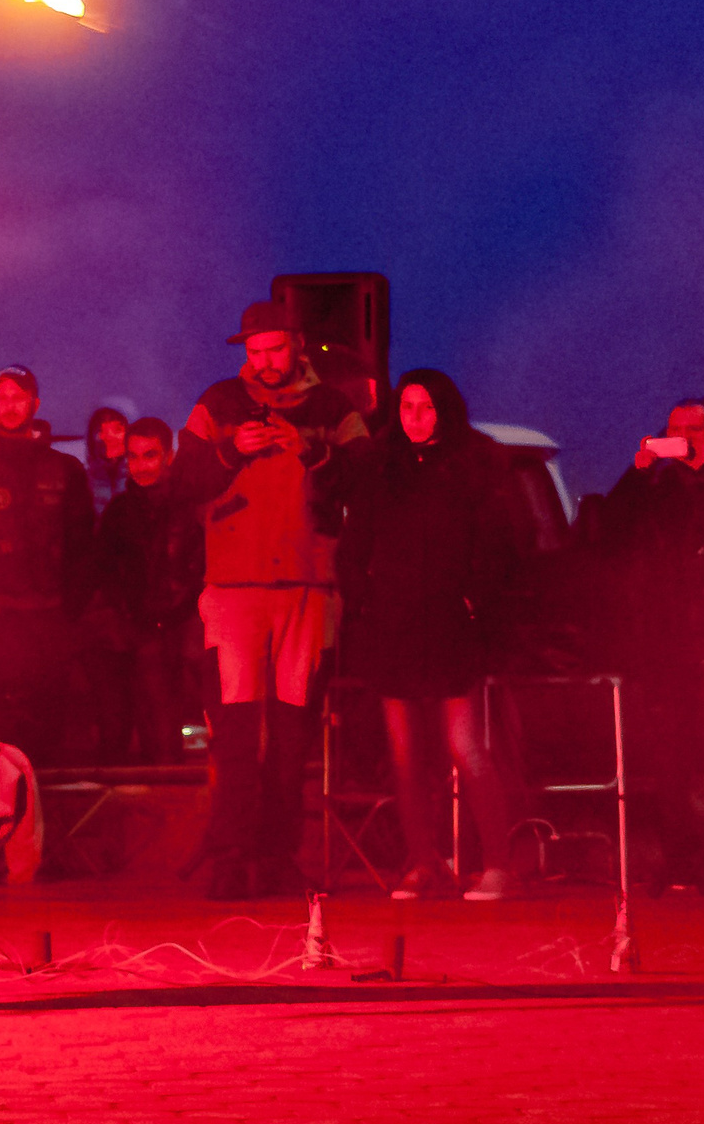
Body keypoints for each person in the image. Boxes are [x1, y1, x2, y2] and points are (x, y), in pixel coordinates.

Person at [171, 300, 369, 898]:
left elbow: (366, 480)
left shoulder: (333, 407)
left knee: (291, 737)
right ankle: (230, 858)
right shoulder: (218, 403)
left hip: (309, 586)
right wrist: (232, 452)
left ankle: (277, 856)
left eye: (275, 350)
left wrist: (315, 453)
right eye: (255, 353)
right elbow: (181, 485)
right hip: (234, 589)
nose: (265, 362)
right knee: (234, 736)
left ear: (298, 345)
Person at [334, 371, 524, 900]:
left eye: (426, 407)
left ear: (445, 410)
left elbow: (499, 541)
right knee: (404, 755)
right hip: (394, 624)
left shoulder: (475, 463)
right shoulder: (381, 465)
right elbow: (356, 540)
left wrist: (473, 600)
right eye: (407, 407)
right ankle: (424, 863)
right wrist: (363, 600)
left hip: (450, 624)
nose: (415, 418)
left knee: (465, 747)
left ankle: (498, 866)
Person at [601, 399, 704, 889]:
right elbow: (610, 534)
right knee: (672, 755)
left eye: (695, 428)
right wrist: (637, 473)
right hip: (666, 640)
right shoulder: (652, 490)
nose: (686, 435)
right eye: (676, 428)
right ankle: (681, 862)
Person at [0, 365, 94, 766]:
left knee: (50, 715)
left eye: (18, 397)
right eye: (1, 397)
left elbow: (83, 545)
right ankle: (4, 810)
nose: (9, 406)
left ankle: (51, 812)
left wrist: (71, 609)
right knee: (1, 722)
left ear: (35, 404)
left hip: (51, 617)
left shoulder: (65, 470)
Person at [94, 418, 205, 765]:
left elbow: (200, 567)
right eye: (134, 457)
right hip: (140, 631)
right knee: (150, 729)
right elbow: (106, 572)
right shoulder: (119, 513)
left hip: (185, 628)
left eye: (149, 456)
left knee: (174, 727)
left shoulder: (193, 508)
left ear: (169, 455)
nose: (140, 466)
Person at [83, 406, 129, 514]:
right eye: (101, 431)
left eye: (117, 430)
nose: (109, 437)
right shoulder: (81, 483)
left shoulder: (142, 478)